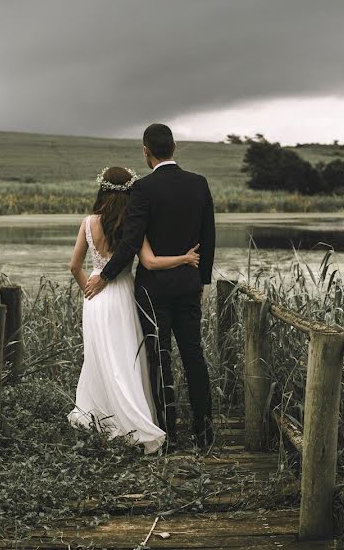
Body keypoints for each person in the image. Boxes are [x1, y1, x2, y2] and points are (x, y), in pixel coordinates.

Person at [85, 124, 216, 452]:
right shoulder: (199, 184)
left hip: (152, 290)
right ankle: (205, 434)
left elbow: (130, 243)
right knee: (194, 355)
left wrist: (105, 276)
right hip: (187, 284)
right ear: (174, 147)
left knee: (160, 358)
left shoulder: (143, 189)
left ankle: (168, 433)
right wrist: (201, 281)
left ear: (147, 151)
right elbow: (208, 238)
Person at [68, 165, 202, 454]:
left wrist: (88, 289)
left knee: (99, 358)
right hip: (123, 294)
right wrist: (185, 258)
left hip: (95, 300)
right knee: (129, 358)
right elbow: (151, 263)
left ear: (101, 188)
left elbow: (74, 266)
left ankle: (101, 418)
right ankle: (135, 419)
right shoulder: (132, 222)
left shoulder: (88, 222)